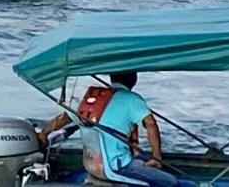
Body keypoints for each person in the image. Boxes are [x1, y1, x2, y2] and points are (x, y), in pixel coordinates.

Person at [38, 72, 178, 187]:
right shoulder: (132, 99)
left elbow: (64, 118)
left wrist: (44, 133)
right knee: (171, 182)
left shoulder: (92, 100)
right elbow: (151, 124)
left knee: (143, 158)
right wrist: (157, 157)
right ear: (134, 79)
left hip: (93, 166)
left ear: (111, 77)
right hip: (118, 167)